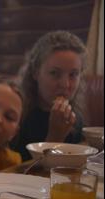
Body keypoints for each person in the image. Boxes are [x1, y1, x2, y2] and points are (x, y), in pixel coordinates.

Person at [12, 31, 87, 161]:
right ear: (35, 72)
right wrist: (55, 136)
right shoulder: (16, 116)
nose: (65, 85)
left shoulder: (75, 118)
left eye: (73, 74)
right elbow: (21, 172)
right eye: (55, 73)